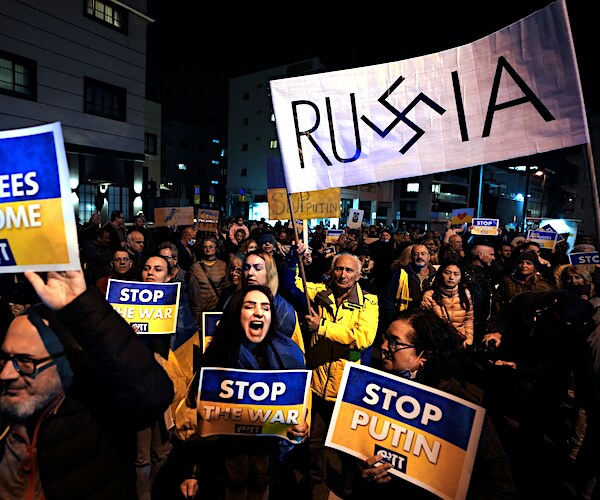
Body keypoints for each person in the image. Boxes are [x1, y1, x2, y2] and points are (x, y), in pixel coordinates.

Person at [0, 270, 174, 499]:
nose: (6, 374)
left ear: (63, 363)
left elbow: (152, 394)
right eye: (5, 359)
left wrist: (80, 305)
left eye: (24, 362)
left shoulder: (97, 411)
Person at [354, 309, 516, 499]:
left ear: (424, 356)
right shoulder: (375, 392)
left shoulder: (459, 408)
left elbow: (500, 488)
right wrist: (365, 473)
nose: (383, 346)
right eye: (385, 338)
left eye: (394, 342)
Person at [177, 285, 309, 500]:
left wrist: (299, 430)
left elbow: (298, 415)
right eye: (250, 306)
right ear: (237, 312)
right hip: (223, 471)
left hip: (270, 470)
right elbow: (192, 421)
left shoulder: (289, 356)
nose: (259, 312)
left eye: (266, 307)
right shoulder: (217, 355)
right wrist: (193, 471)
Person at [283, 246, 378, 498]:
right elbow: (290, 282)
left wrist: (322, 326)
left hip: (348, 388)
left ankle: (346, 490)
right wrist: (295, 256)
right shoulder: (320, 292)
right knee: (314, 442)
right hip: (318, 383)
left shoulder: (369, 302)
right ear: (331, 270)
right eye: (339, 268)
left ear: (358, 275)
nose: (343, 274)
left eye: (349, 270)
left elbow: (363, 337)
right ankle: (317, 482)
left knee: (347, 448)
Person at [380, 244, 436, 329]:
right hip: (404, 321)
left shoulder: (436, 276)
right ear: (411, 257)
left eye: (423, 254)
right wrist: (392, 320)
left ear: (429, 257)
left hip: (429, 323)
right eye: (416, 254)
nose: (419, 257)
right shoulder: (400, 274)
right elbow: (388, 299)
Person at [420, 262, 474, 347]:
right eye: (447, 273)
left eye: (456, 274)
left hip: (461, 341)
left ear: (460, 278)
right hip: (439, 342)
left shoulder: (465, 293)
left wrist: (469, 339)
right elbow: (426, 324)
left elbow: (469, 319)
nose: (451, 277)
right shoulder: (430, 295)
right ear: (441, 274)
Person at [187, 236, 227, 328]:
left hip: (216, 309)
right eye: (205, 247)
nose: (208, 249)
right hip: (200, 309)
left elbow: (226, 286)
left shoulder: (223, 265)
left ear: (215, 248)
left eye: (210, 247)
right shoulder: (195, 267)